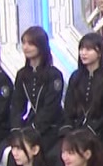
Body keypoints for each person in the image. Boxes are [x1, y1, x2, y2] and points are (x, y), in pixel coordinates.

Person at [9, 26, 65, 154]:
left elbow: (51, 108)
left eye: (30, 43)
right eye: (24, 43)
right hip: (30, 123)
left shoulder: (54, 75)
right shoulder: (22, 74)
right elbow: (17, 105)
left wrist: (34, 129)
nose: (25, 47)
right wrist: (17, 128)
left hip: (51, 126)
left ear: (41, 46)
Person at [60, 32, 103, 144]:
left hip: (100, 132)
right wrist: (68, 129)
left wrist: (91, 129)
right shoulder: (75, 76)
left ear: (99, 53)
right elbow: (68, 107)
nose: (83, 53)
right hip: (75, 130)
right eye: (81, 49)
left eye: (88, 49)